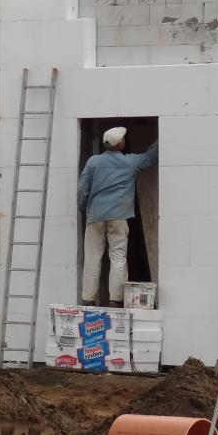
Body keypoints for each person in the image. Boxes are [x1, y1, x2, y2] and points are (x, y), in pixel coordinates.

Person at [77, 127, 159, 307]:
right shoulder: (130, 162)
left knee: (92, 257)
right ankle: (116, 300)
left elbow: (83, 189)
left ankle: (88, 299)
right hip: (119, 217)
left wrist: (84, 209)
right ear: (120, 144)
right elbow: (151, 157)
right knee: (118, 258)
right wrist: (162, 137)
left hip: (95, 216)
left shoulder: (93, 162)